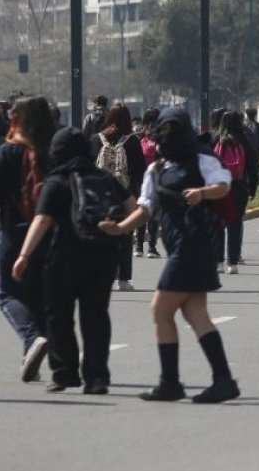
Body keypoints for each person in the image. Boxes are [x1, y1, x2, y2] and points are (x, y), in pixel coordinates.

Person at [96, 108, 239, 403]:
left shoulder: (202, 159)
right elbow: (145, 208)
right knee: (196, 314)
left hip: (193, 245)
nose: (170, 137)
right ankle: (222, 379)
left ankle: (171, 383)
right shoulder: (157, 168)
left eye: (176, 130)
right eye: (166, 130)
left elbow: (223, 186)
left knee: (160, 309)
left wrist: (202, 193)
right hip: (178, 246)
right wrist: (119, 228)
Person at [10, 128, 125, 395]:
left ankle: (64, 373)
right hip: (104, 255)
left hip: (64, 256)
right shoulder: (104, 178)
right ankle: (97, 378)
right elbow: (132, 207)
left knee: (59, 316)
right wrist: (119, 230)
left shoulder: (57, 180)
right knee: (96, 317)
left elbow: (42, 220)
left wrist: (24, 255)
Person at [0, 94, 55, 383]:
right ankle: (34, 355)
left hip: (15, 230)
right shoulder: (53, 149)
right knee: (38, 295)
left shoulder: (9, 150)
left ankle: (31, 338)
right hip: (49, 231)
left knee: (7, 293)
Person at [90, 104, 146, 291]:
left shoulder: (95, 139)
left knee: (99, 235)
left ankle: (99, 275)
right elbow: (139, 170)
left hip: (99, 195)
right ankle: (123, 278)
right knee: (124, 235)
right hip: (124, 195)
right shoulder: (132, 141)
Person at [212, 111, 259, 273]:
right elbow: (253, 166)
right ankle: (232, 262)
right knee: (235, 224)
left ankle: (218, 261)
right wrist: (253, 188)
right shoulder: (244, 140)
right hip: (239, 187)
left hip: (218, 187)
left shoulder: (215, 139)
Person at [136, 108, 162, 259]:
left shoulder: (139, 135)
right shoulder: (160, 136)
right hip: (156, 178)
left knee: (142, 210)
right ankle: (151, 247)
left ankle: (138, 246)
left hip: (141, 179)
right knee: (154, 214)